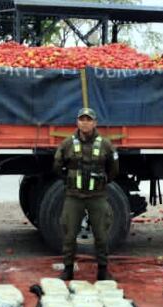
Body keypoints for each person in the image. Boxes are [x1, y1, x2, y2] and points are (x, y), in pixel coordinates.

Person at [53, 107, 119, 281]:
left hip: (97, 197)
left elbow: (113, 169)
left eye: (89, 119)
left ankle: (103, 271)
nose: (85, 122)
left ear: (95, 123)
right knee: (68, 234)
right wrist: (69, 181)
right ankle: (68, 269)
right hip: (74, 197)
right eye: (82, 119)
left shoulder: (105, 144)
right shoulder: (67, 144)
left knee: (102, 235)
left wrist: (103, 182)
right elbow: (57, 166)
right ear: (77, 122)